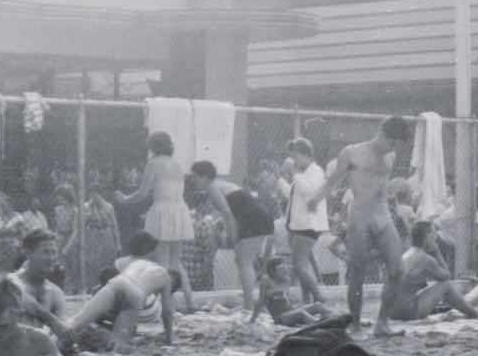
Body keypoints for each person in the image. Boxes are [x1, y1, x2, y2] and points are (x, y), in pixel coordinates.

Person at [3, 230, 164, 356]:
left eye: (54, 252)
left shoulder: (55, 292)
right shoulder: (11, 281)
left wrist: (66, 342)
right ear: (28, 252)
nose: (51, 257)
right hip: (8, 352)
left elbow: (60, 331)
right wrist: (54, 323)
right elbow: (23, 299)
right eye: (45, 252)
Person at [310, 115, 414, 335]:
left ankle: (382, 323)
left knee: (397, 269)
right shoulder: (352, 152)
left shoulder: (391, 155)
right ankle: (355, 323)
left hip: (382, 214)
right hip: (360, 215)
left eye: (397, 145)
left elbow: (382, 186)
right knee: (357, 271)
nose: (394, 148)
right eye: (393, 143)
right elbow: (332, 181)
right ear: (383, 134)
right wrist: (316, 199)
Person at [116, 132, 196, 313]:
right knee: (175, 262)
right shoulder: (177, 164)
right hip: (178, 210)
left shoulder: (153, 163)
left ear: (153, 146)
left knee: (161, 263)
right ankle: (188, 304)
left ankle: (167, 309)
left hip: (162, 210)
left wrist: (125, 199)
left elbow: (143, 193)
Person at [64, 231, 181, 346]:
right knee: (117, 345)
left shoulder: (137, 263)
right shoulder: (164, 276)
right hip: (135, 293)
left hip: (117, 284)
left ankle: (54, 337)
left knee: (77, 321)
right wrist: (169, 339)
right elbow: (167, 313)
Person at [190, 160, 275, 315]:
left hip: (254, 218)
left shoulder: (212, 188)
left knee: (244, 261)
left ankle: (249, 305)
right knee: (242, 260)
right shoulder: (219, 185)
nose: (193, 180)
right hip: (255, 217)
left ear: (205, 177)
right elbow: (233, 212)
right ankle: (253, 299)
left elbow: (228, 214)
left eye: (195, 177)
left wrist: (233, 237)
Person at [387, 221, 478, 322]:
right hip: (408, 312)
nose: (436, 237)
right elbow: (446, 277)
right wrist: (437, 252)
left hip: (392, 312)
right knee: (446, 286)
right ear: (426, 236)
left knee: (440, 288)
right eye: (433, 234)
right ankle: (475, 314)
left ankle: (470, 310)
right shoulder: (425, 259)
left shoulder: (407, 254)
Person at [279, 137, 330, 308]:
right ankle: (306, 300)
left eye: (295, 157)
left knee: (299, 265)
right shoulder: (302, 174)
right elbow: (293, 196)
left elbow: (309, 192)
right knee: (302, 265)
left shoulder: (315, 171)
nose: (293, 161)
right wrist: (280, 180)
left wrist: (293, 173)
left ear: (305, 155)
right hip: (298, 224)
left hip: (309, 224)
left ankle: (318, 297)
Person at [250, 255, 338, 327]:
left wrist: (295, 305)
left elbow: (286, 300)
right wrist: (252, 320)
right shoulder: (266, 281)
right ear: (272, 271)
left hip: (291, 311)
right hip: (281, 317)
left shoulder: (286, 280)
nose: (285, 270)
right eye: (281, 268)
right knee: (301, 313)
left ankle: (336, 318)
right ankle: (322, 326)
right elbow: (260, 302)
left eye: (286, 267)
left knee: (317, 305)